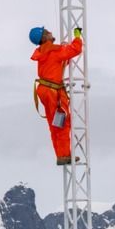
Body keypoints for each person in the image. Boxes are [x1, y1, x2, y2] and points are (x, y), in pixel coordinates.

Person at [29, 25, 83, 164]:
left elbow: (59, 62)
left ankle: (61, 154)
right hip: (53, 92)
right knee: (62, 123)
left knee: (55, 125)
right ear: (44, 37)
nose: (51, 32)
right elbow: (75, 50)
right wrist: (77, 37)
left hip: (45, 90)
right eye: (47, 32)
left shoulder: (43, 52)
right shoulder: (54, 51)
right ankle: (64, 155)